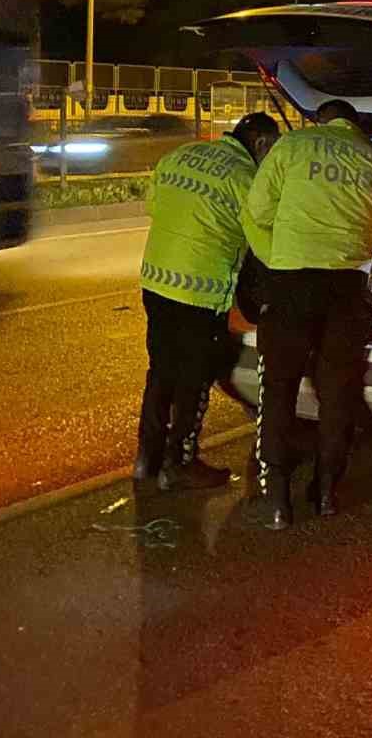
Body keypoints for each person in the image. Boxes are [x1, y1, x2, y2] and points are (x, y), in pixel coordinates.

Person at [246, 98, 372, 530]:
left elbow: (259, 212)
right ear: (355, 126)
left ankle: (278, 502)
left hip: (290, 285)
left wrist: (278, 254)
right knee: (338, 393)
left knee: (279, 391)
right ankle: (325, 492)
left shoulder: (291, 148)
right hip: (346, 290)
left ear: (318, 121)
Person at [136, 112, 281, 491]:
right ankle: (180, 464)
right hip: (199, 293)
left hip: (156, 283)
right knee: (194, 380)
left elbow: (155, 206)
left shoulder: (180, 155)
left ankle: (147, 460)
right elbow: (263, 245)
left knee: (161, 371)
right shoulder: (246, 179)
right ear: (262, 144)